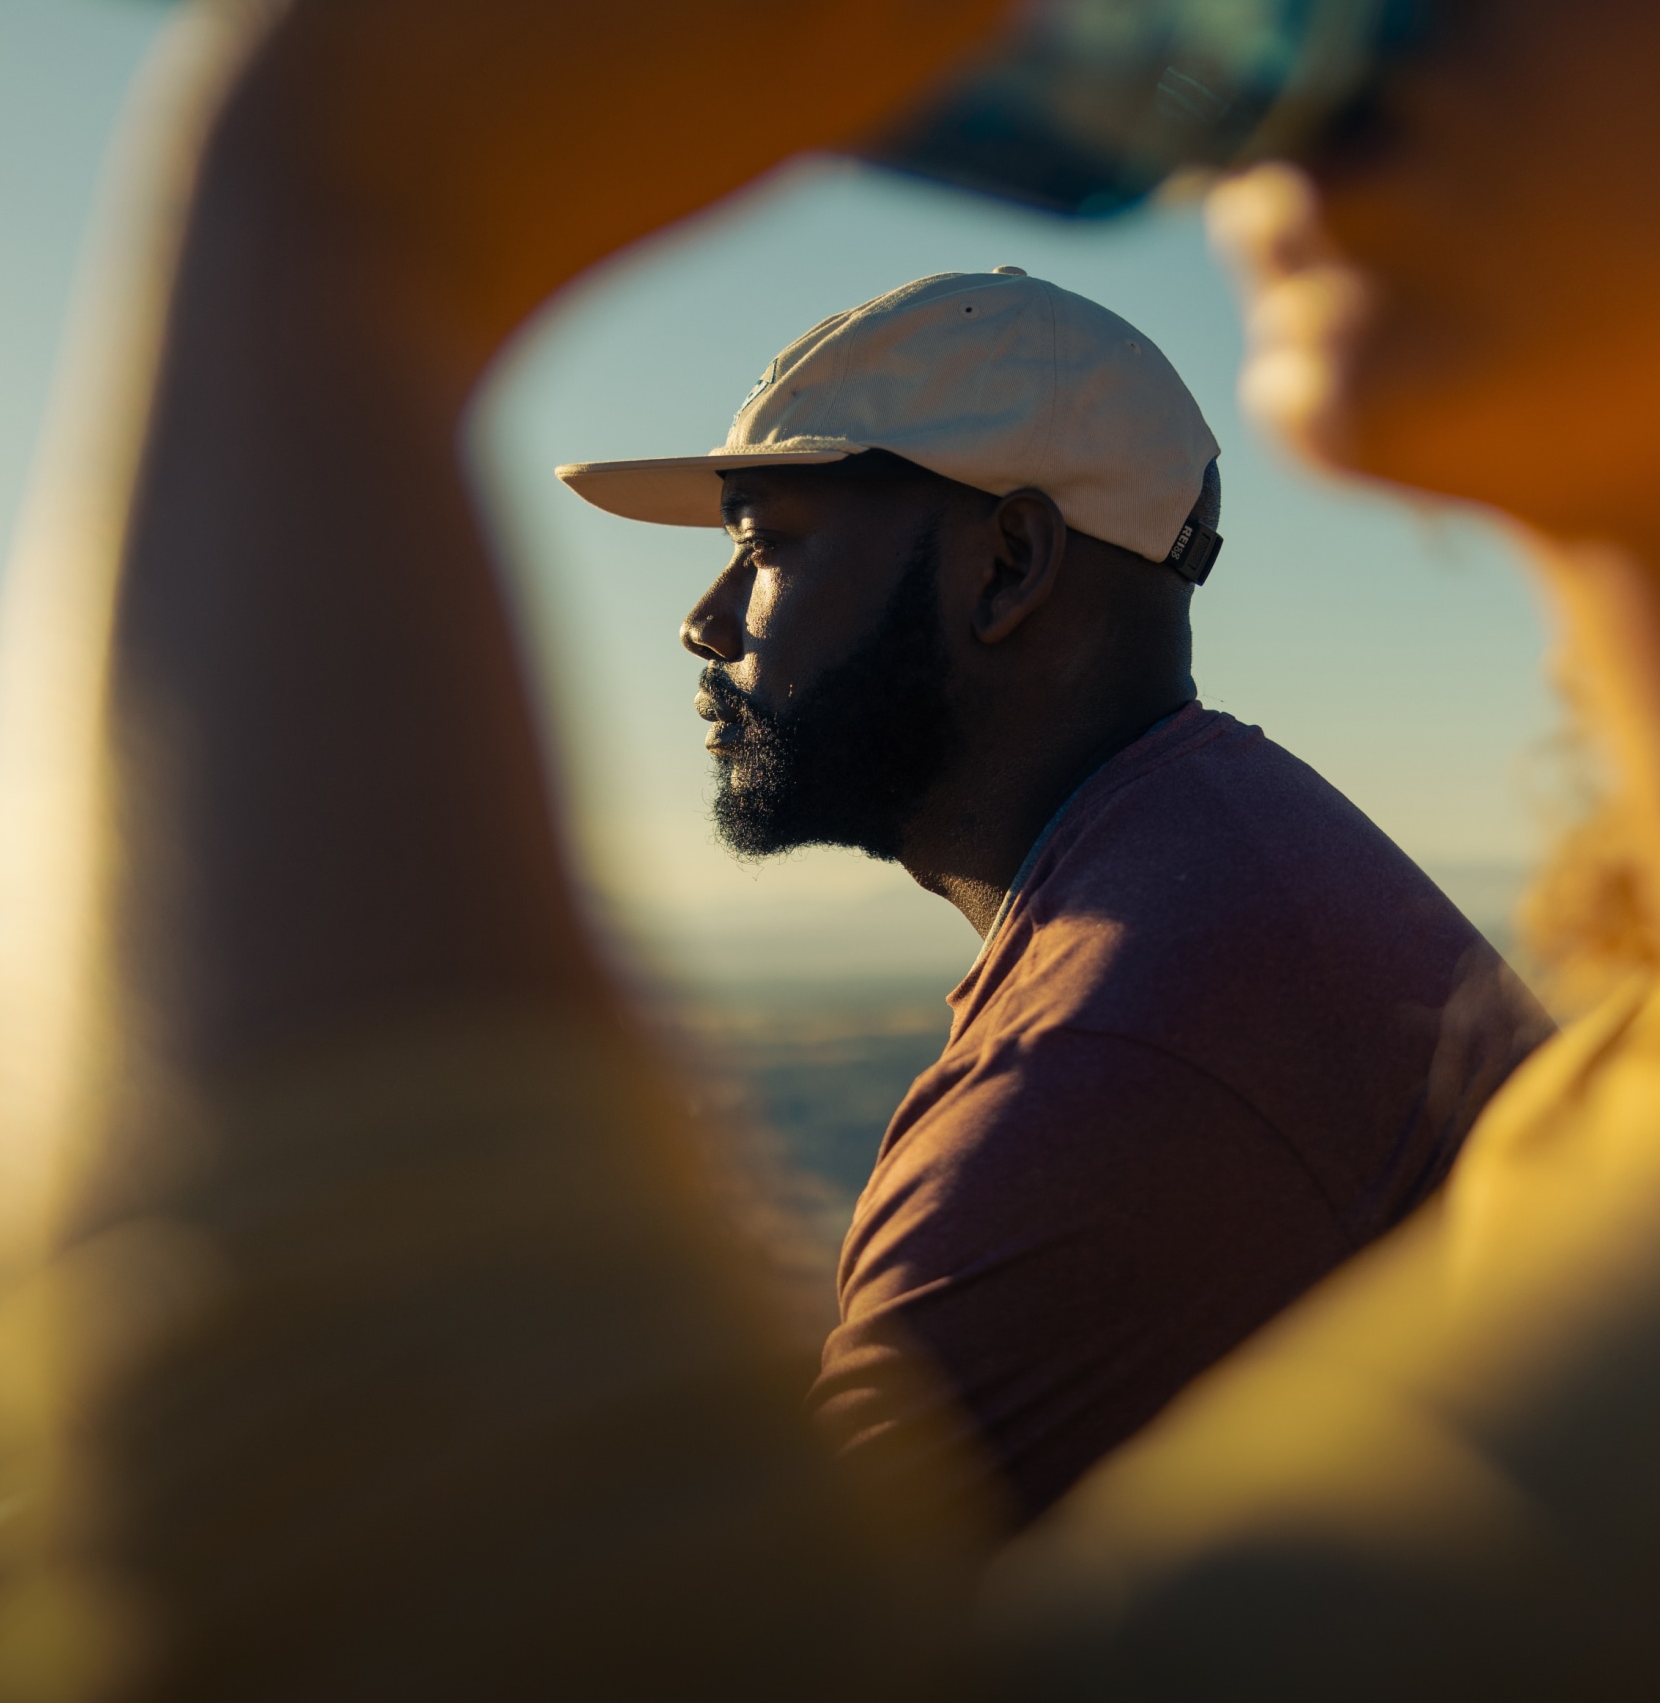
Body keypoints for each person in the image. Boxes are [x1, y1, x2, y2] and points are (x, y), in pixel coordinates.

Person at [0, 0, 1660, 1694]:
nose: (707, 623)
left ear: (1006, 564)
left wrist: (332, 220)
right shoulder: (1542, 1054)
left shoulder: (1143, 1043)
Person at [559, 266, 1545, 1525]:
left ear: (1007, 561)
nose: (704, 621)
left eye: (761, 545)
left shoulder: (1109, 1060)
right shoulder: (1216, 846)